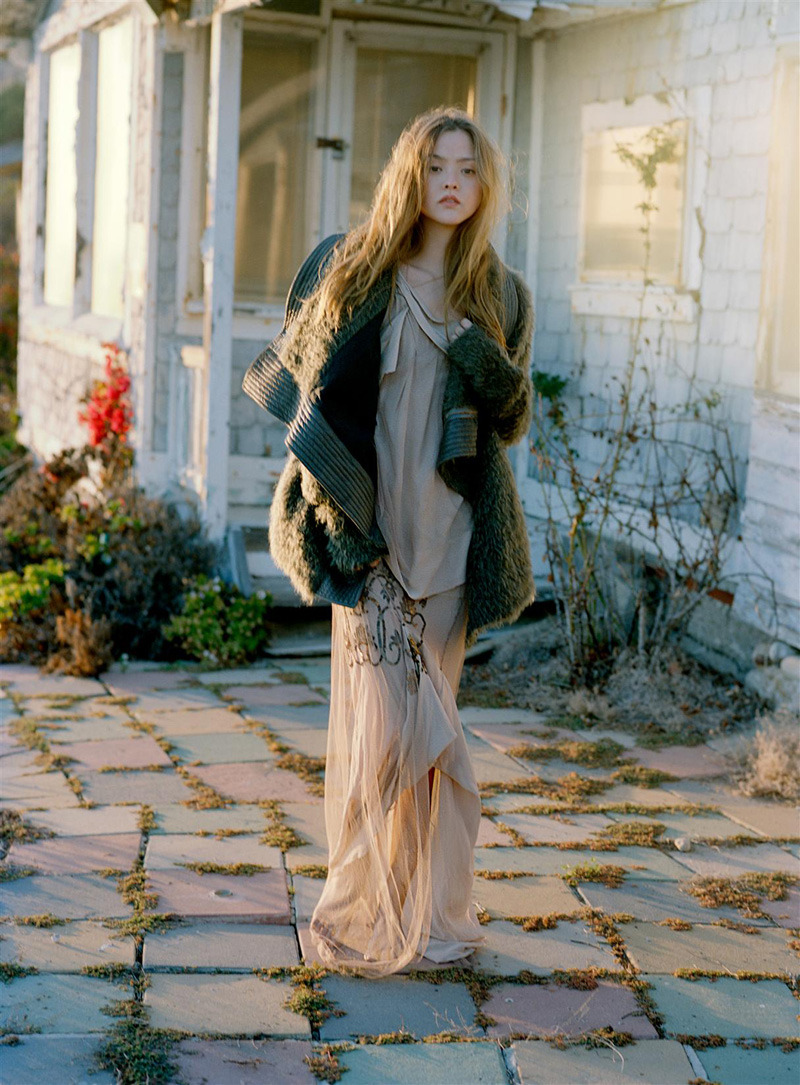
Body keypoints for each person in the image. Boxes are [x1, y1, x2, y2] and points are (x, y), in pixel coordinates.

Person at [243, 106, 535, 975]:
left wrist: (485, 362)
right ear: (411, 174)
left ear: (484, 186)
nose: (452, 182)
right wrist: (340, 528)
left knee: (431, 744)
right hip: (368, 542)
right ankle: (361, 909)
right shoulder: (357, 271)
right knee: (383, 739)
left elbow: (510, 419)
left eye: (468, 170)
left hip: (452, 543)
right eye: (437, 166)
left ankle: (433, 918)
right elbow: (308, 395)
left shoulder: (500, 296)